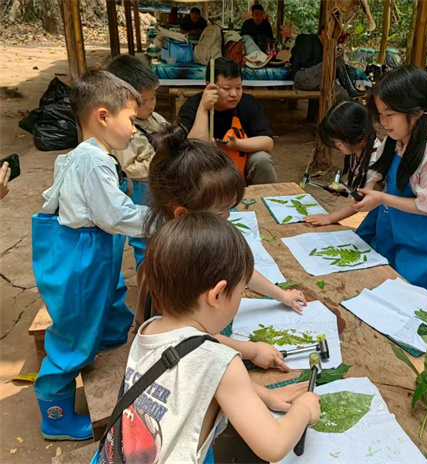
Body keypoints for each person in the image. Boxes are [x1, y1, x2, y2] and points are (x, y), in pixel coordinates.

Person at [98, 212, 320, 464]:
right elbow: (274, 445)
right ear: (217, 295)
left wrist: (266, 396)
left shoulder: (150, 329)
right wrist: (304, 410)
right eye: (241, 290)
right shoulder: (222, 363)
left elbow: (203, 367)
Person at [133, 122, 307, 372]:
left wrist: (281, 295)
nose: (227, 217)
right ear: (182, 213)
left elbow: (239, 270)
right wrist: (251, 350)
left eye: (230, 208)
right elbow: (190, 338)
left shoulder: (198, 239)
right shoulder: (175, 266)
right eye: (220, 212)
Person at [32, 71, 148, 441]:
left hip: (95, 250)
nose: (134, 129)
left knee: (111, 300)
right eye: (131, 119)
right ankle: (55, 415)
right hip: (83, 254)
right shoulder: (94, 161)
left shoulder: (86, 154)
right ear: (103, 116)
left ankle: (110, 347)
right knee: (74, 333)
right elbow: (115, 216)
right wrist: (162, 219)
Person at [352, 65, 427, 292]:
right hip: (390, 232)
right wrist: (371, 186)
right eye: (380, 114)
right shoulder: (393, 141)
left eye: (389, 114)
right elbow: (379, 170)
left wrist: (382, 198)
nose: (384, 122)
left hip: (419, 247)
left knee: (406, 296)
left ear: (416, 112)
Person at [106, 54, 167, 269]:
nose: (150, 105)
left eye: (153, 98)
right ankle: (146, 276)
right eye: (143, 101)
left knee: (162, 233)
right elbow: (130, 168)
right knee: (144, 236)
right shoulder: (124, 132)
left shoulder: (155, 118)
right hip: (141, 189)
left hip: (159, 185)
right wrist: (161, 161)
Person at [179, 57, 277, 185]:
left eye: (238, 88)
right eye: (227, 88)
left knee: (262, 159)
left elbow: (267, 142)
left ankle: (268, 195)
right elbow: (190, 150)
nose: (234, 94)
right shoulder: (192, 106)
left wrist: (235, 144)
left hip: (240, 165)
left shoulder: (248, 104)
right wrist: (203, 109)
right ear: (209, 86)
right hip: (206, 174)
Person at [303, 100, 382, 228]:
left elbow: (360, 202)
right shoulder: (359, 150)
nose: (336, 147)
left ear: (359, 137)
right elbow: (359, 179)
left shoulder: (374, 161)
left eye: (338, 143)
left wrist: (330, 218)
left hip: (381, 215)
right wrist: (344, 187)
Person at [291, 26, 364, 99]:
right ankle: (350, 89)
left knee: (343, 94)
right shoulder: (311, 40)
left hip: (317, 80)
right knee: (337, 61)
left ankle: (350, 91)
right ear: (323, 32)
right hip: (303, 77)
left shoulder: (325, 47)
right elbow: (304, 63)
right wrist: (328, 60)